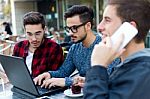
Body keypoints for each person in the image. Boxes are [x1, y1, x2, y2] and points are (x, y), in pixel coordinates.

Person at [34, 5, 120, 88]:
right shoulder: (74, 48)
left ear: (88, 26)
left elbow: (106, 80)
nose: (70, 33)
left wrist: (68, 82)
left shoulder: (106, 47)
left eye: (74, 28)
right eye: (68, 28)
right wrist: (49, 74)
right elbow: (64, 71)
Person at [83, 0, 150, 99]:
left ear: (130, 28)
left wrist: (97, 67)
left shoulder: (143, 74)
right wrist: (95, 81)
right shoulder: (135, 68)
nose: (99, 27)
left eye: (107, 20)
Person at [12, 11, 64, 77]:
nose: (34, 39)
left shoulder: (54, 48)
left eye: (37, 33)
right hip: (20, 84)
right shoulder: (18, 47)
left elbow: (55, 76)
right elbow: (14, 71)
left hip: (43, 86)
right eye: (29, 34)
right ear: (25, 31)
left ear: (44, 30)